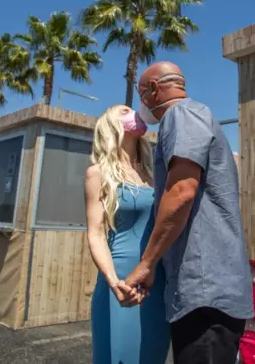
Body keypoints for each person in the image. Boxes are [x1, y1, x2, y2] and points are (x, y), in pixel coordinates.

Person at [123, 62, 254, 364]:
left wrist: (147, 263)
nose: (141, 103)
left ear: (153, 90)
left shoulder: (181, 115)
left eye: (141, 93)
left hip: (205, 293)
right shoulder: (195, 116)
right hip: (207, 292)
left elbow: (181, 192)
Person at [85, 105, 170, 364]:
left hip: (157, 280)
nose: (135, 112)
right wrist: (114, 283)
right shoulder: (97, 173)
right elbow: (96, 234)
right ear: (111, 124)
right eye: (125, 110)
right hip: (121, 281)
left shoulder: (154, 172)